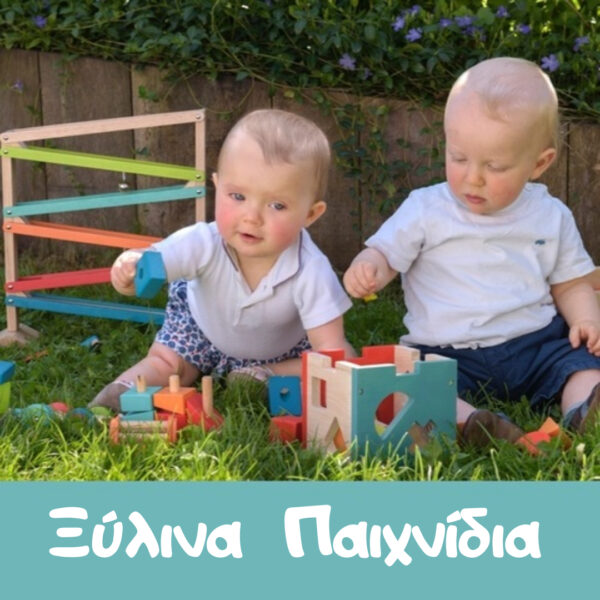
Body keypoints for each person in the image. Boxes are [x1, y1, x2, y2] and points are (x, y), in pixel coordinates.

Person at [343, 57, 600, 446]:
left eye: (495, 166)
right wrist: (369, 265)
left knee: (580, 364)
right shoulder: (426, 209)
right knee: (406, 383)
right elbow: (384, 252)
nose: (473, 177)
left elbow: (571, 283)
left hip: (534, 344)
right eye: (459, 158)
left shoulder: (551, 215)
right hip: (444, 352)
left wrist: (586, 319)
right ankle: (475, 423)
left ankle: (582, 409)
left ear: (539, 164)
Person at [90, 109, 355, 411]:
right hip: (201, 331)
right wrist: (130, 267)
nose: (251, 217)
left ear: (310, 214)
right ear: (217, 186)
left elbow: (330, 350)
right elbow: (154, 261)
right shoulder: (202, 242)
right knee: (167, 362)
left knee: (323, 363)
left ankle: (266, 374)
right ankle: (122, 392)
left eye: (277, 205)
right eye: (238, 197)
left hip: (282, 349)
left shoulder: (310, 269)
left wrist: (331, 363)